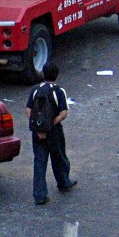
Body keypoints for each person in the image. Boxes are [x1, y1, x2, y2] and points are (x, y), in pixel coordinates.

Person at [27, 63, 77, 205]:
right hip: (54, 132)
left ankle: (39, 195)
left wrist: (38, 127)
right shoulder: (59, 91)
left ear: (43, 74)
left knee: (39, 162)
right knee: (59, 157)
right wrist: (49, 125)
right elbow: (64, 113)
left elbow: (28, 110)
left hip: (37, 133)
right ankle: (64, 182)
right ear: (56, 75)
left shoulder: (35, 90)